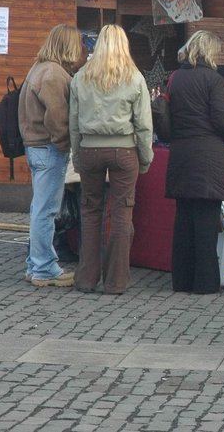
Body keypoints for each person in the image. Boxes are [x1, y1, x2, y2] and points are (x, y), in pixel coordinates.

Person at [69, 24, 153, 294]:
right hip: (123, 150)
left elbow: (73, 123)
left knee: (90, 211)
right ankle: (116, 281)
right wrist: (146, 156)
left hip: (90, 149)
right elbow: (143, 125)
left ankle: (86, 278)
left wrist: (77, 155)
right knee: (121, 213)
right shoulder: (134, 77)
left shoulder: (81, 77)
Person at [165, 30, 224, 294]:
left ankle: (181, 280)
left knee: (183, 220)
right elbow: (221, 118)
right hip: (208, 155)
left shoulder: (175, 77)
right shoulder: (214, 79)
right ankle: (205, 283)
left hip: (181, 153)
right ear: (209, 52)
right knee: (206, 222)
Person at [18, 24, 85, 287]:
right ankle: (43, 268)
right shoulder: (55, 75)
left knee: (40, 209)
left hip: (35, 146)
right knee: (46, 211)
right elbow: (57, 118)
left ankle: (36, 264)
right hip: (48, 148)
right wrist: (65, 145)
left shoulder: (39, 68)